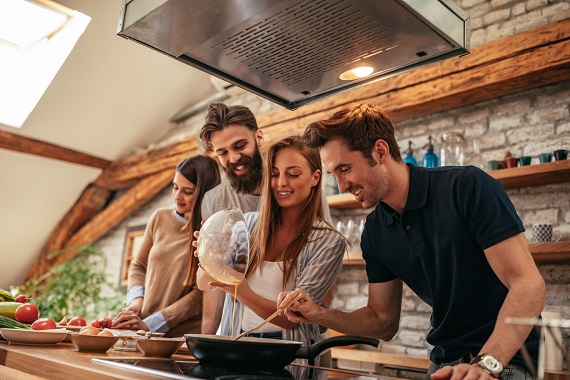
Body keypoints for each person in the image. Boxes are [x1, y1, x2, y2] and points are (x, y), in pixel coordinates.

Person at [278, 103, 545, 380]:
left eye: (344, 169)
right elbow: (383, 322)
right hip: (445, 360)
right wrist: (319, 313)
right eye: (335, 174)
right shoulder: (375, 231)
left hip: (504, 360)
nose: (342, 185)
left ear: (379, 151)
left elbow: (528, 285)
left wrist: (485, 364)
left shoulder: (467, 186)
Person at [197, 136, 346, 369]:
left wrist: (241, 290)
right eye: (275, 174)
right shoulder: (247, 224)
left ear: (315, 177)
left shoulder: (328, 242)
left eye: (293, 174)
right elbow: (204, 282)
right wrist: (210, 252)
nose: (281, 183)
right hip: (233, 350)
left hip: (287, 360)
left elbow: (292, 317)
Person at [198, 102, 333, 335]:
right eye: (223, 152)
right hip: (240, 332)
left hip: (299, 332)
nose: (234, 158)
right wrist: (206, 339)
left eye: (240, 145)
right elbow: (211, 286)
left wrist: (322, 312)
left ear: (258, 137)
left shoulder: (296, 190)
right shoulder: (215, 201)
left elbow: (323, 257)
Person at [112, 155, 221, 337]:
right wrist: (136, 302)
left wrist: (152, 324)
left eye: (187, 191)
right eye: (175, 187)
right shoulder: (159, 218)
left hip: (179, 339)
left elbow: (199, 294)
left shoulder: (211, 233)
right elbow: (138, 266)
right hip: (141, 329)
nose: (177, 196)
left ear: (205, 193)